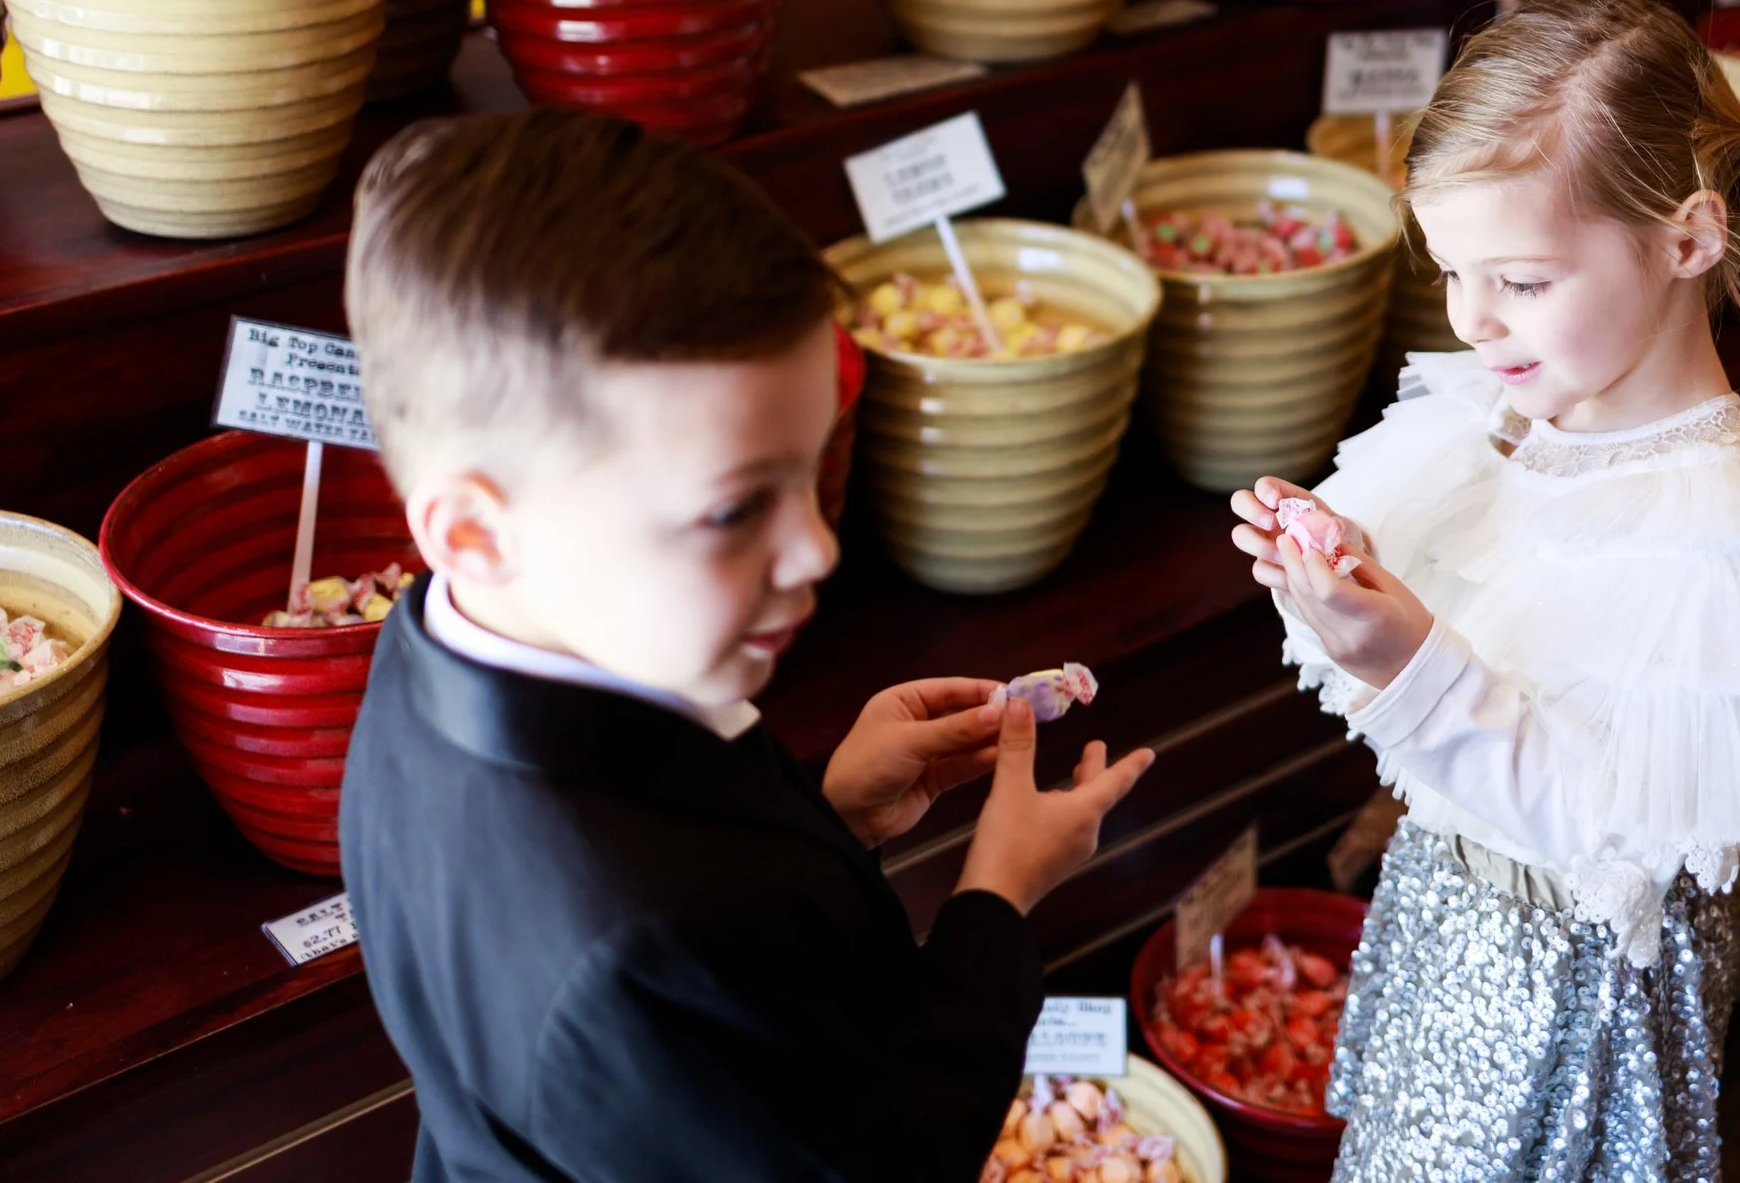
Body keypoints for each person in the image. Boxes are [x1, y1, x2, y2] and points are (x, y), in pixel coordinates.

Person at [338, 110, 1154, 1183]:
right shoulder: (634, 948)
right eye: (733, 509)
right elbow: (876, 1162)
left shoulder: (431, 650)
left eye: (810, 466)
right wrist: (997, 895)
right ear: (478, 532)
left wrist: (831, 808)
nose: (816, 547)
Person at [1229, 0, 1740, 1182]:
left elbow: (1614, 846)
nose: (1473, 320)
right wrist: (1335, 578)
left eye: (1521, 280)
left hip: (1559, 987)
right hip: (1453, 914)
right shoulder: (1503, 406)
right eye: (1450, 273)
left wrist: (1405, 661)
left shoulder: (1710, 526)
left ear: (1687, 237)